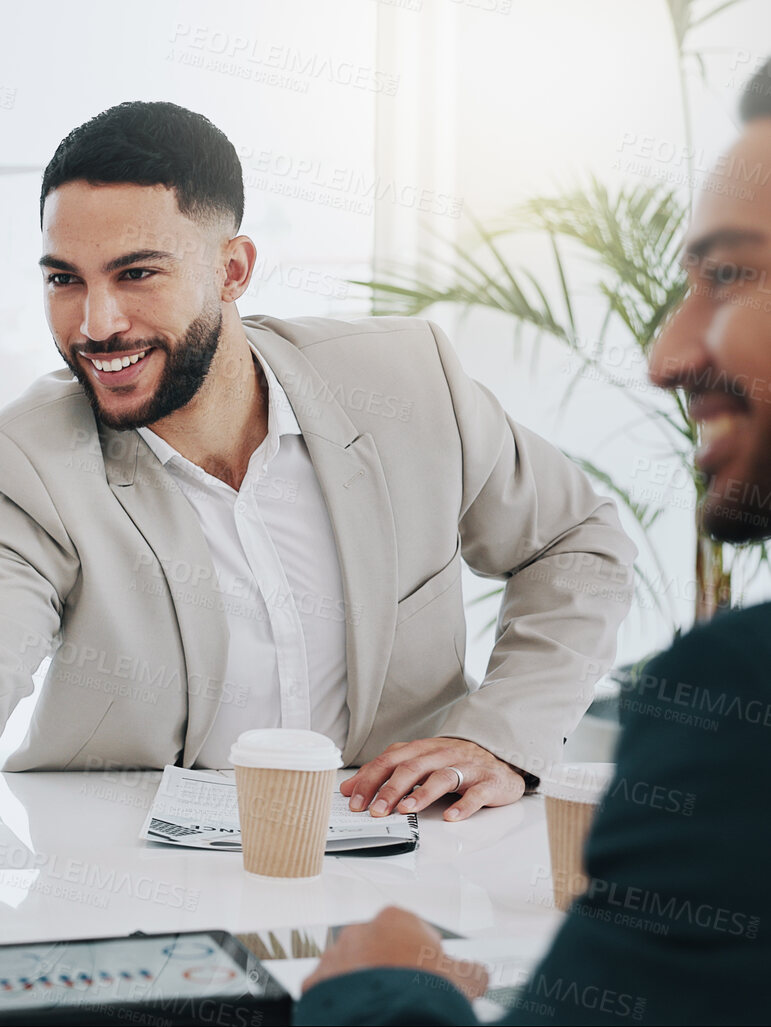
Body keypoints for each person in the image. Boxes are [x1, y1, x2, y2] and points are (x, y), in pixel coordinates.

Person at [0, 101, 636, 818]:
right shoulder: (26, 457)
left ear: (233, 269)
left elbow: (577, 543)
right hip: (145, 889)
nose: (95, 322)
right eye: (63, 280)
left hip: (408, 855)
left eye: (136, 273)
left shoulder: (406, 382)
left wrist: (498, 736)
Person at [297, 58, 771, 1024]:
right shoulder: (26, 445)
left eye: (729, 275)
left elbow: (576, 538)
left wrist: (384, 986)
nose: (666, 357)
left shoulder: (739, 702)